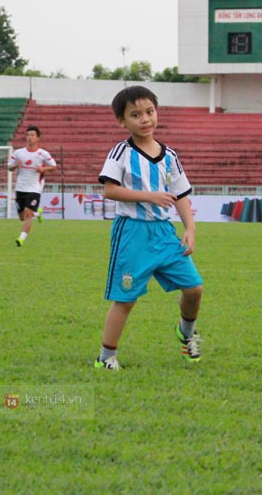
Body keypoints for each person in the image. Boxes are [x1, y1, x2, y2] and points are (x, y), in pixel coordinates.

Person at [94, 85, 203, 370]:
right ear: (122, 121)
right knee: (125, 299)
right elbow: (110, 190)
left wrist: (189, 228)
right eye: (135, 114)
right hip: (132, 233)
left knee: (194, 288)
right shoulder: (121, 152)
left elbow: (180, 194)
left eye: (149, 112)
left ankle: (186, 333)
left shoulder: (170, 155)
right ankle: (106, 358)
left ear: (157, 112)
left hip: (164, 234)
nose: (145, 119)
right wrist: (150, 196)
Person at [8, 125, 57, 246]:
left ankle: (21, 239)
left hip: (35, 188)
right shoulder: (19, 153)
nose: (29, 138)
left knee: (28, 214)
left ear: (38, 138)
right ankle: (38, 213)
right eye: (28, 135)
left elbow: (54, 167)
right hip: (20, 187)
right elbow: (9, 167)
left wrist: (43, 168)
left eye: (32, 135)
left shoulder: (42, 154)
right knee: (21, 217)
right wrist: (15, 166)